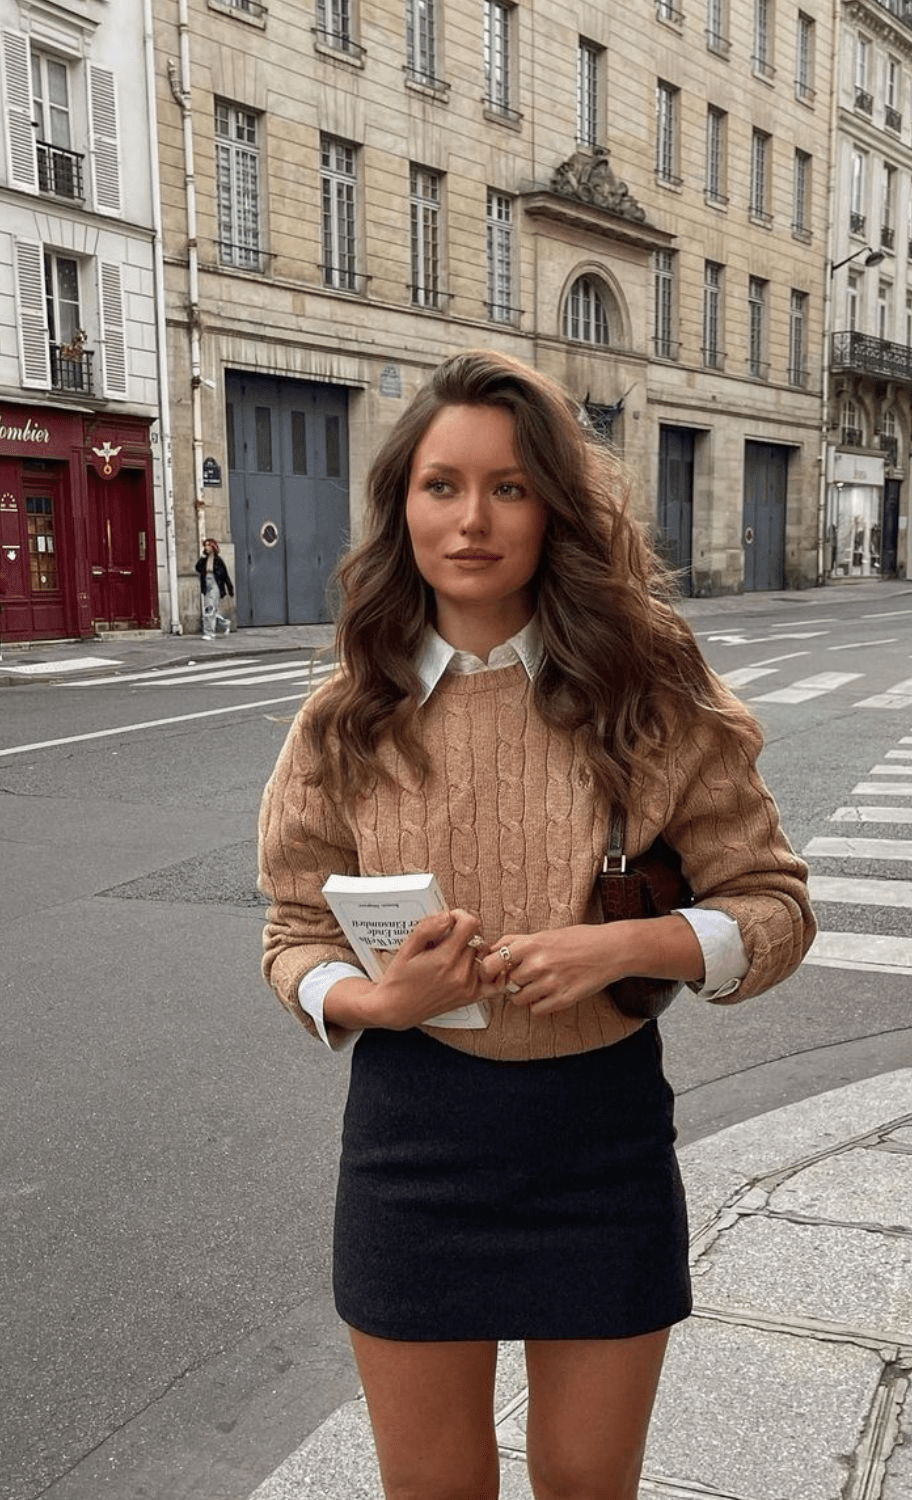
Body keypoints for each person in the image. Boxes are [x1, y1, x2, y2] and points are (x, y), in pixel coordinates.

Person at [258, 350, 815, 1500]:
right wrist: (374, 1000)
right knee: (434, 1490)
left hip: (598, 1136)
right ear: (401, 505)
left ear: (556, 506)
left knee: (586, 1483)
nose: (471, 520)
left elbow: (773, 906)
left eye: (509, 487)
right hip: (415, 1142)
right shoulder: (345, 715)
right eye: (441, 485)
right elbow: (293, 930)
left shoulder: (647, 688)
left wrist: (632, 945)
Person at [195, 538, 233, 638]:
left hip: (215, 583)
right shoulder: (204, 560)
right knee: (209, 608)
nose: (206, 547)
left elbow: (225, 575)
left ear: (213, 547)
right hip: (206, 583)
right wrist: (202, 558)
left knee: (210, 608)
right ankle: (225, 623)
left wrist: (230, 588)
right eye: (205, 545)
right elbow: (197, 568)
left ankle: (209, 632)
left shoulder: (218, 561)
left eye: (208, 545)